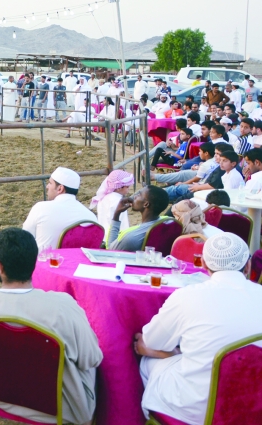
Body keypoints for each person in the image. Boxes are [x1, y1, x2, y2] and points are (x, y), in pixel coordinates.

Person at [0, 228, 101, 425]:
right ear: (34, 265)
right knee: (90, 366)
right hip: (57, 408)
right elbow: (92, 358)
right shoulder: (65, 307)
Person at [136, 233, 262, 424]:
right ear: (248, 265)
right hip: (255, 403)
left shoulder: (187, 296)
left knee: (148, 361)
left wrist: (168, 352)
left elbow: (151, 342)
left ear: (203, 263)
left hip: (194, 410)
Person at [0, 167, 98, 255]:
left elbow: (24, 238)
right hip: (80, 269)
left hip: (45, 268)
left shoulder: (42, 207)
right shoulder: (91, 216)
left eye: (50, 183)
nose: (47, 186)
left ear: (60, 188)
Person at [107, 186, 169, 251]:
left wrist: (116, 213)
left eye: (139, 195)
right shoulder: (168, 221)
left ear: (146, 204)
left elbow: (110, 250)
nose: (134, 196)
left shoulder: (131, 238)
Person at [89, 170, 134, 245]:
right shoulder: (120, 202)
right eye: (127, 187)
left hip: (102, 238)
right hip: (115, 240)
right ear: (118, 187)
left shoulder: (102, 198)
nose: (128, 190)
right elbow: (123, 225)